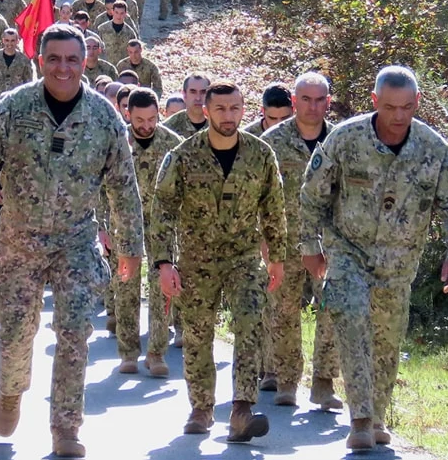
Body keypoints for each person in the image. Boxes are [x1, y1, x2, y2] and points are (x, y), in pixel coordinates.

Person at [0, 24, 145, 459]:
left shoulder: (104, 117)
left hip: (77, 240)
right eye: (54, 59)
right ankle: (10, 389)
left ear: (85, 62)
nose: (63, 67)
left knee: (75, 331)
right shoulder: (13, 107)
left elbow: (123, 186)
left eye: (72, 59)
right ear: (41, 60)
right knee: (17, 331)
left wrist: (130, 246)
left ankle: (66, 427)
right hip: (20, 239)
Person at [299, 66, 448, 450]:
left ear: (417, 103)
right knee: (352, 320)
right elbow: (312, 197)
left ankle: (376, 417)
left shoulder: (433, 148)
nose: (399, 116)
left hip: (399, 261)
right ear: (375, 101)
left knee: (386, 340)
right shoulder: (346, 139)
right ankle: (360, 420)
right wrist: (310, 247)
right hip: (348, 250)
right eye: (391, 107)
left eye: (407, 107)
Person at [152, 79, 287, 440]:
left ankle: (242, 407)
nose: (229, 116)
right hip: (198, 259)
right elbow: (162, 209)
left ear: (245, 110)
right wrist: (164, 263)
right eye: (221, 109)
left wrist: (277, 257)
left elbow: (273, 208)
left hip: (244, 257)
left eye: (235, 108)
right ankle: (201, 407)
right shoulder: (183, 155)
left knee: (249, 325)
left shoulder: (260, 155)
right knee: (198, 334)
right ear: (206, 110)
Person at [259, 72, 341, 410]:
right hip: (285, 241)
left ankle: (323, 382)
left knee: (333, 308)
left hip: (330, 243)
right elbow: (259, 194)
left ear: (328, 102)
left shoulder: (341, 140)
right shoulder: (273, 141)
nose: (312, 106)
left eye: (319, 99)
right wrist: (264, 240)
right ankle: (287, 380)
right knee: (284, 311)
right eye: (305, 99)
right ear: (294, 102)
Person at [111, 88, 183, 376]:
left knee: (160, 286)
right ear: (128, 115)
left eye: (152, 119)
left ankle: (156, 352)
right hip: (125, 222)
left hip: (162, 224)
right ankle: (128, 351)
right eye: (140, 119)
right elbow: (101, 187)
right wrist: (103, 228)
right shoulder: (117, 141)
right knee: (126, 286)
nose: (146, 125)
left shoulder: (172, 144)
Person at [0, 28, 35, 96]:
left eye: (12, 41)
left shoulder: (24, 60)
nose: (9, 43)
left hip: (17, 99)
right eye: (7, 40)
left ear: (17, 41)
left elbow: (28, 82)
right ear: (3, 40)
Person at [165, 73, 210, 137]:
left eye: (203, 92)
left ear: (210, 95)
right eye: (193, 92)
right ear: (184, 95)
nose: (198, 98)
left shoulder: (218, 124)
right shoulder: (168, 128)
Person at [95, 0, 137, 65]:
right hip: (105, 66)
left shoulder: (130, 33)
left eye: (122, 13)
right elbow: (95, 48)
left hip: (123, 66)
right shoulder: (102, 29)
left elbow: (134, 52)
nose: (119, 16)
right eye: (116, 12)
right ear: (112, 12)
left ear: (126, 13)